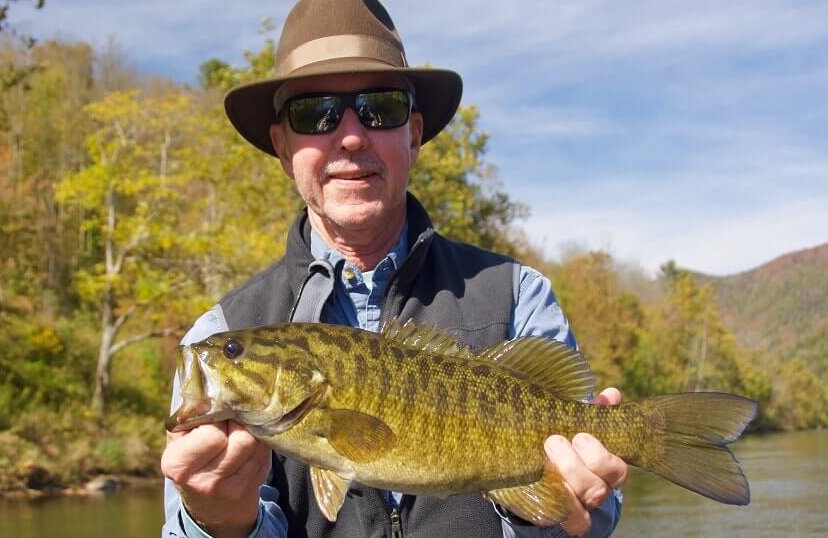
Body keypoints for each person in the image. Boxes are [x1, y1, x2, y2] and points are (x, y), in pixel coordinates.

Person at [161, 1, 628, 537]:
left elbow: (592, 517)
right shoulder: (220, 332)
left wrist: (563, 510)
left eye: (380, 108)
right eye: (314, 114)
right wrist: (218, 520)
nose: (352, 136)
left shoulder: (518, 297)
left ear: (414, 135)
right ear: (283, 146)